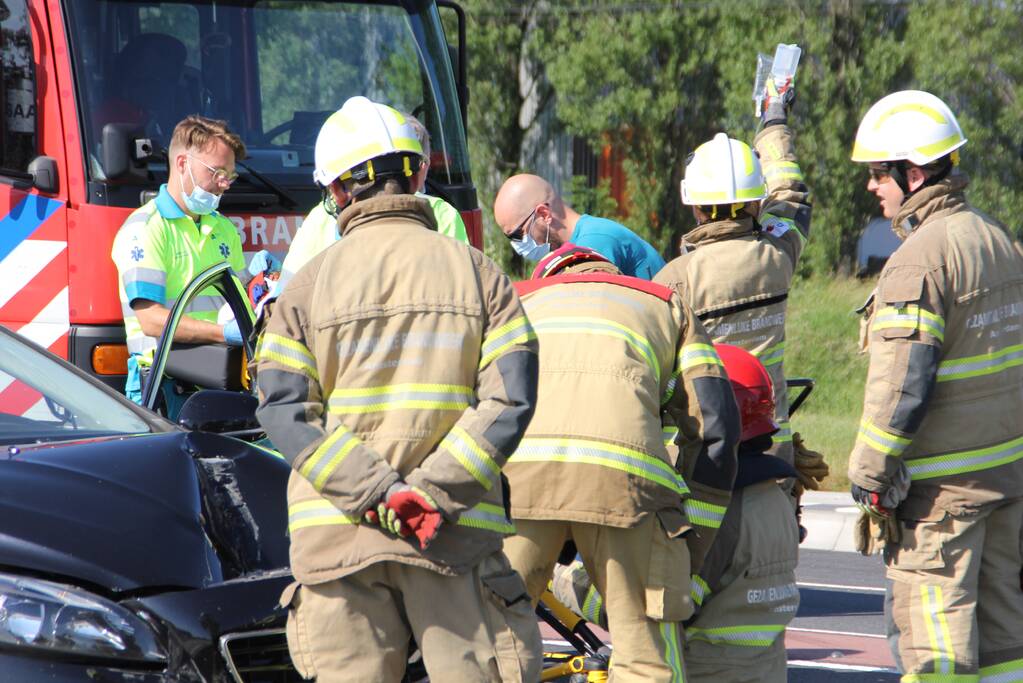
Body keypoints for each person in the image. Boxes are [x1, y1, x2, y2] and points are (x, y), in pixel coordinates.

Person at [254, 96, 542, 682]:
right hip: (454, 540)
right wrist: (427, 496)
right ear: (417, 175)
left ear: (337, 192)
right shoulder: (481, 275)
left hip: (338, 541)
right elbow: (510, 399)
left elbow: (285, 410)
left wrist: (379, 494)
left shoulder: (303, 290)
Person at [501, 243, 740, 682]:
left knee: (495, 646)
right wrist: (688, 546)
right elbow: (716, 430)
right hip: (628, 490)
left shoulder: (515, 300)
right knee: (645, 659)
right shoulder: (665, 305)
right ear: (610, 272)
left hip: (519, 488)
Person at [848, 90, 1023, 680]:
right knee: (1006, 646)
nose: (872, 186)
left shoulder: (919, 259)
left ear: (914, 173)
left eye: (880, 173)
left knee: (936, 650)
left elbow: (902, 384)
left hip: (942, 502)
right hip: (1006, 482)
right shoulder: (996, 237)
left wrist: (870, 473)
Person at [554, 344, 799, 682]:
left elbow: (655, 609)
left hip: (703, 673)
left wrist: (560, 575)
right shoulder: (776, 497)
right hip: (765, 670)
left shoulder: (715, 514)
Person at [653, 81, 815, 494]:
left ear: (695, 205)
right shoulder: (779, 253)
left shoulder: (675, 279)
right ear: (757, 201)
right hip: (772, 452)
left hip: (702, 459)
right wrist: (773, 121)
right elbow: (791, 193)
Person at [111, 115, 251, 406]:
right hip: (162, 386)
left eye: (230, 175)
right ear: (183, 164)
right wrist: (224, 334)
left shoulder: (224, 228)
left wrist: (264, 286)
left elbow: (241, 304)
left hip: (219, 381)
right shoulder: (145, 229)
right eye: (217, 172)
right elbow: (150, 320)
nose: (225, 184)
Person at [278, 112, 468, 290]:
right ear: (419, 171)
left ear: (334, 188)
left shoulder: (318, 218)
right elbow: (461, 285)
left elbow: (287, 293)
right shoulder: (443, 215)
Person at [494, 174, 665, 278]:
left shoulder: (593, 243)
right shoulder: (580, 245)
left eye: (516, 234)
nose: (516, 244)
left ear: (544, 214)